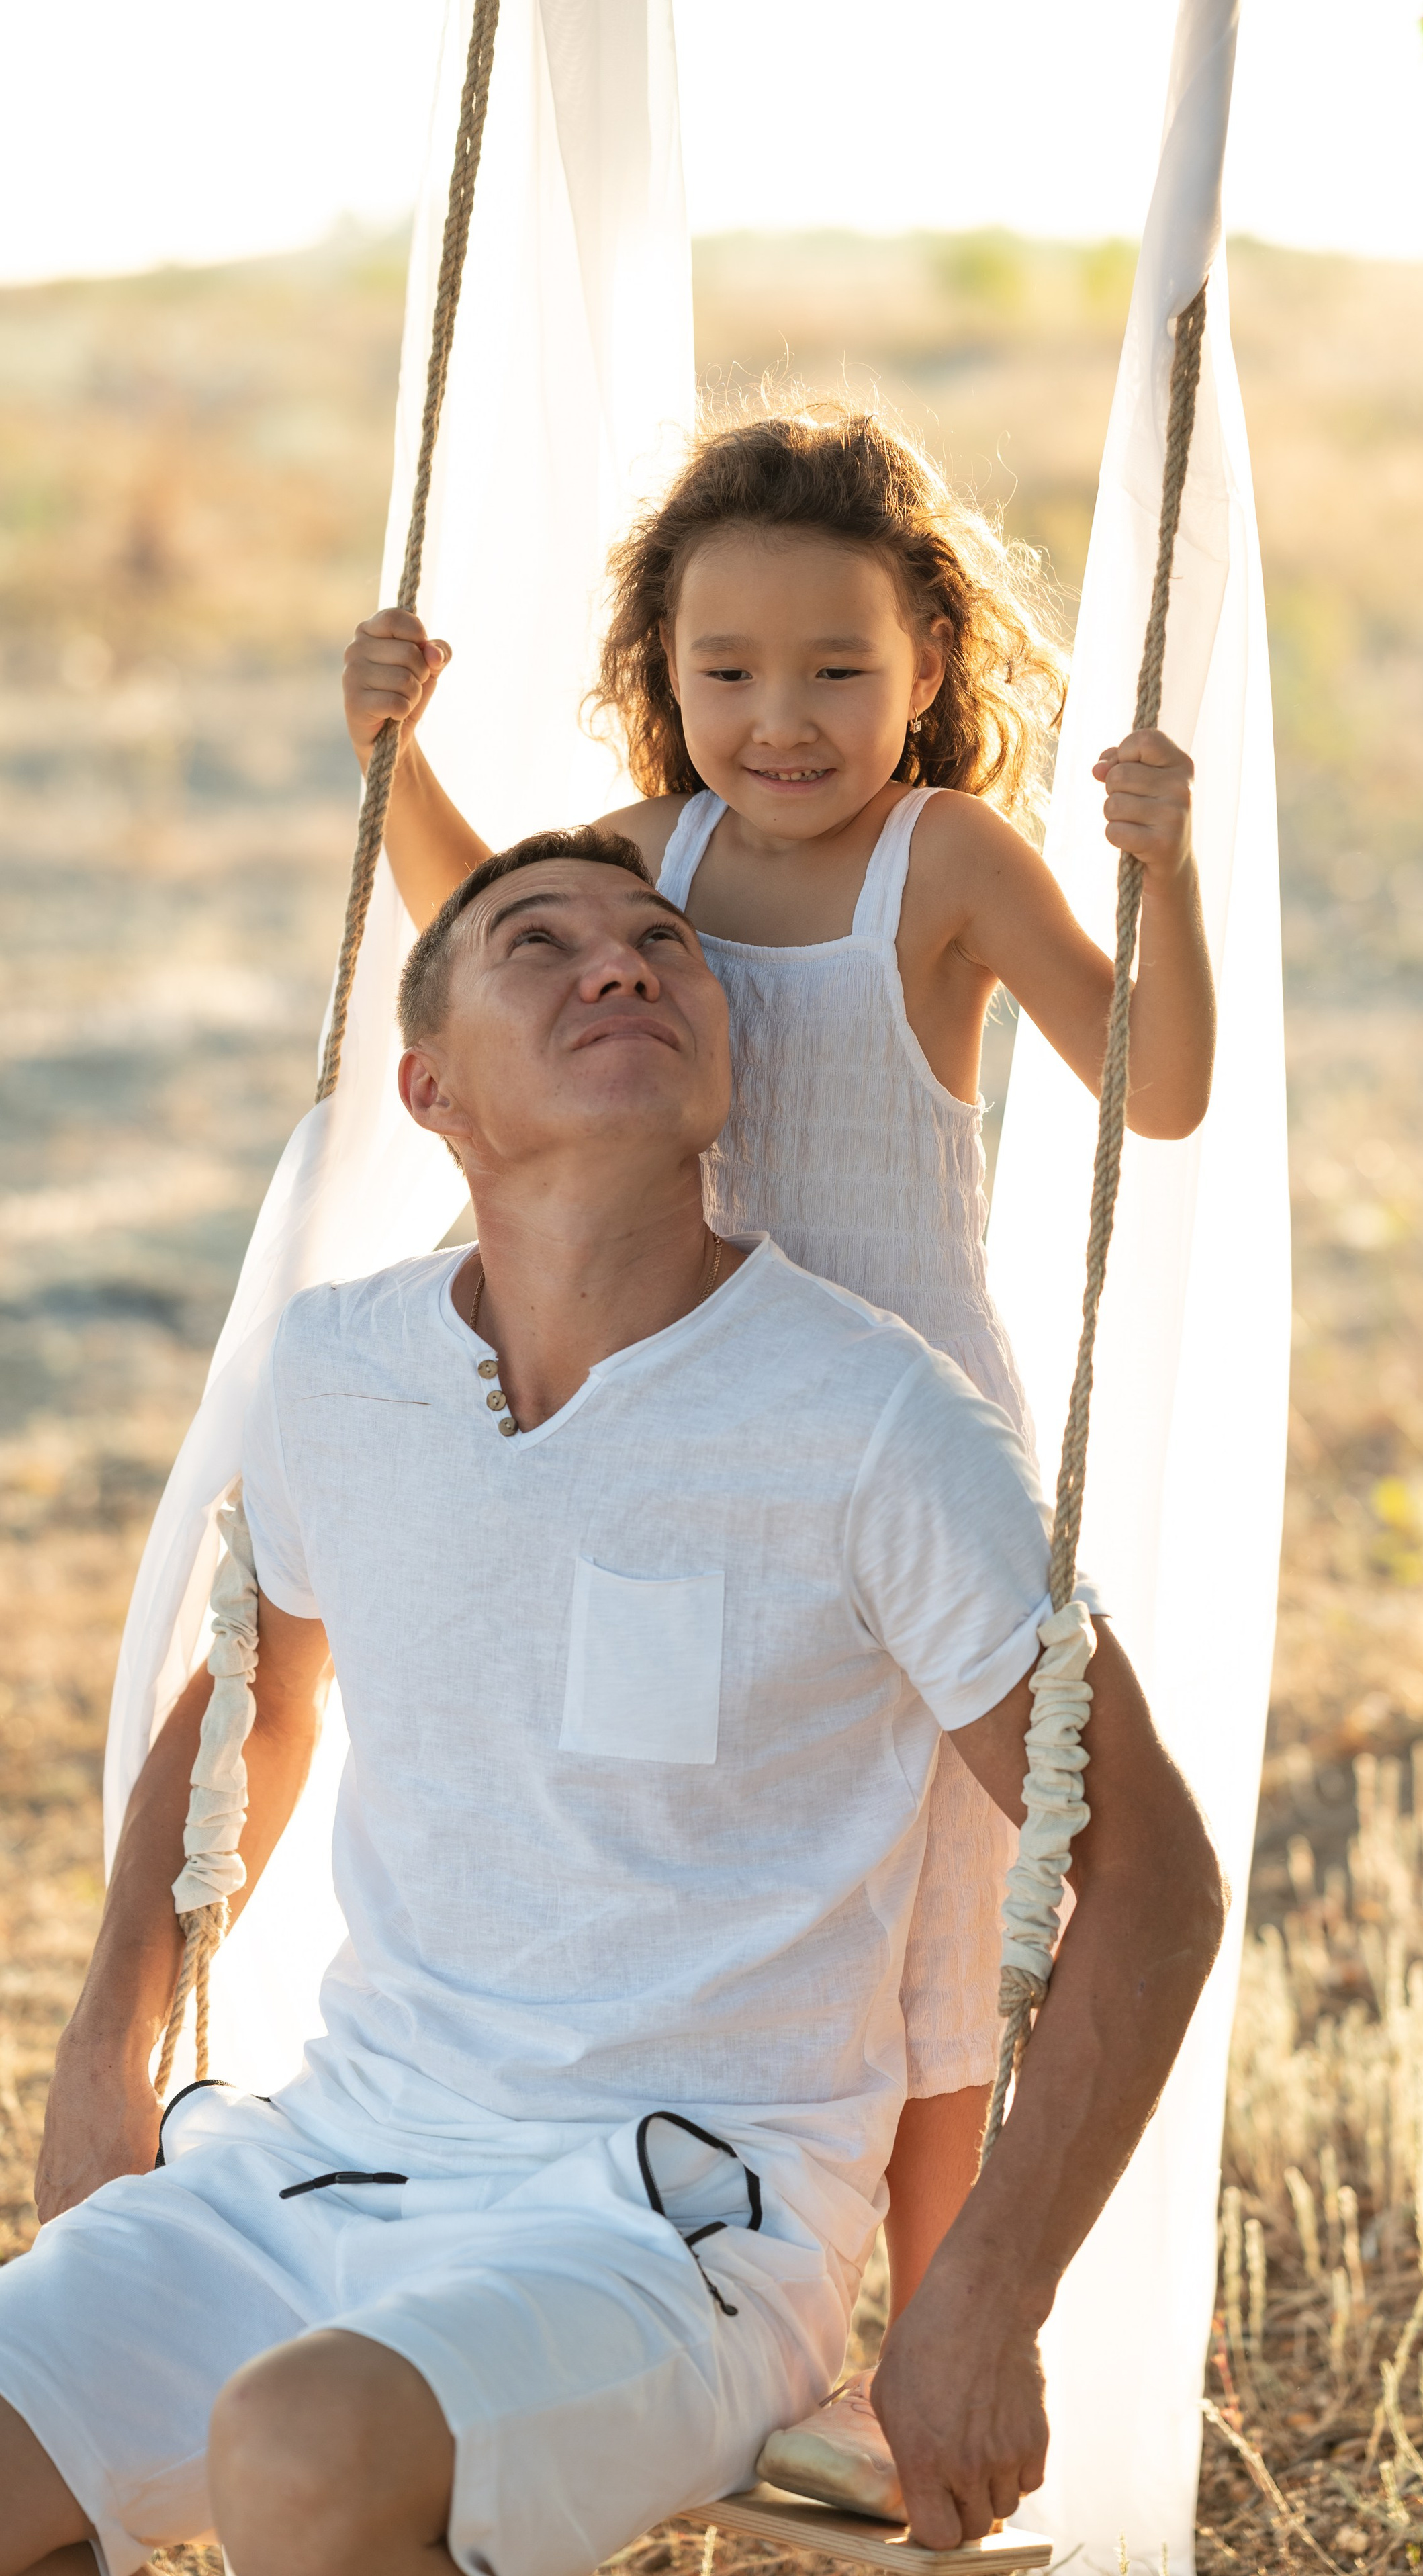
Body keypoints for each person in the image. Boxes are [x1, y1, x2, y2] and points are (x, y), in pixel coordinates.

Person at [0, 830, 1226, 2576]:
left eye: (664, 939)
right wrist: (100, 2046)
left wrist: (984, 2294)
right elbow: (247, 1704)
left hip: (680, 2216)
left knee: (299, 2445)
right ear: (431, 1089)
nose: (626, 961)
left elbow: (1155, 1876)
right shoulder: (338, 1368)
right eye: (540, 942)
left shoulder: (875, 1418)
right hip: (331, 2156)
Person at [339, 407, 1220, 2321]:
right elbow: (484, 941)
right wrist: (394, 763)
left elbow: (1160, 1091)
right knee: (735, 1871)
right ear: (663, 674)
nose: (783, 717)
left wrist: (1170, 878)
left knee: (936, 1922)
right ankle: (696, 2266)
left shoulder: (950, 857)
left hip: (908, 1446)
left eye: (838, 669)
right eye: (726, 670)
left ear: (927, 664)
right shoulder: (662, 849)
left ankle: (925, 2329)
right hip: (694, 1429)